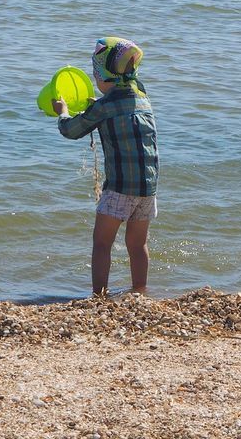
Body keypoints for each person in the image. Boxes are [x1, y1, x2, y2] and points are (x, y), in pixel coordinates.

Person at [52, 36, 158, 297]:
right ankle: (140, 292)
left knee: (101, 243)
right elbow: (118, 114)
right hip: (148, 187)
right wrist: (96, 107)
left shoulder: (105, 106)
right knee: (137, 243)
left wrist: (63, 111)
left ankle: (99, 295)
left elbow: (71, 130)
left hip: (120, 187)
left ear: (103, 76)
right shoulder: (142, 97)